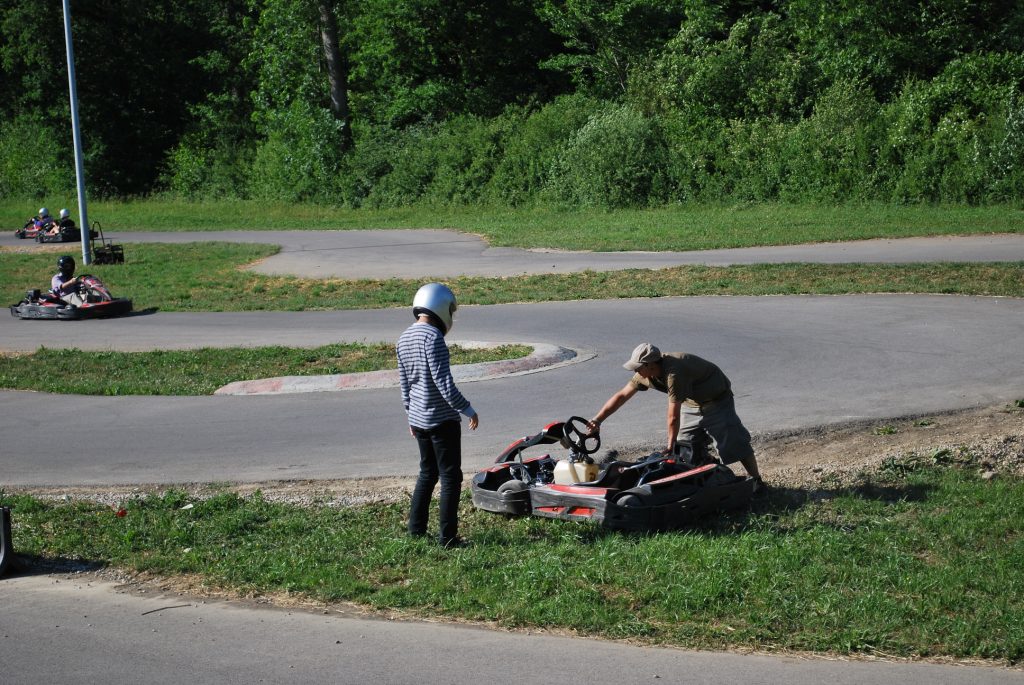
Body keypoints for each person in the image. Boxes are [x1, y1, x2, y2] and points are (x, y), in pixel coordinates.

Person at [586, 343, 765, 492]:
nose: (636, 371)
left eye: (638, 367)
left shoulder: (674, 372)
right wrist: (597, 420)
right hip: (691, 401)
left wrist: (669, 445)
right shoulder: (644, 374)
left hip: (716, 400)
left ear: (650, 365)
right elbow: (621, 396)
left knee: (733, 441)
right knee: (686, 447)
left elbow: (673, 416)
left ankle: (757, 481)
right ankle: (710, 472)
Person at [397, 282, 480, 548]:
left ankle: (416, 530)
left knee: (427, 473)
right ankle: (448, 538)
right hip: (442, 420)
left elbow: (405, 384)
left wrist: (410, 415)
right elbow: (444, 384)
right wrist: (467, 409)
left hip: (419, 420)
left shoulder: (404, 338)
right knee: (450, 477)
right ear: (441, 307)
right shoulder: (433, 338)